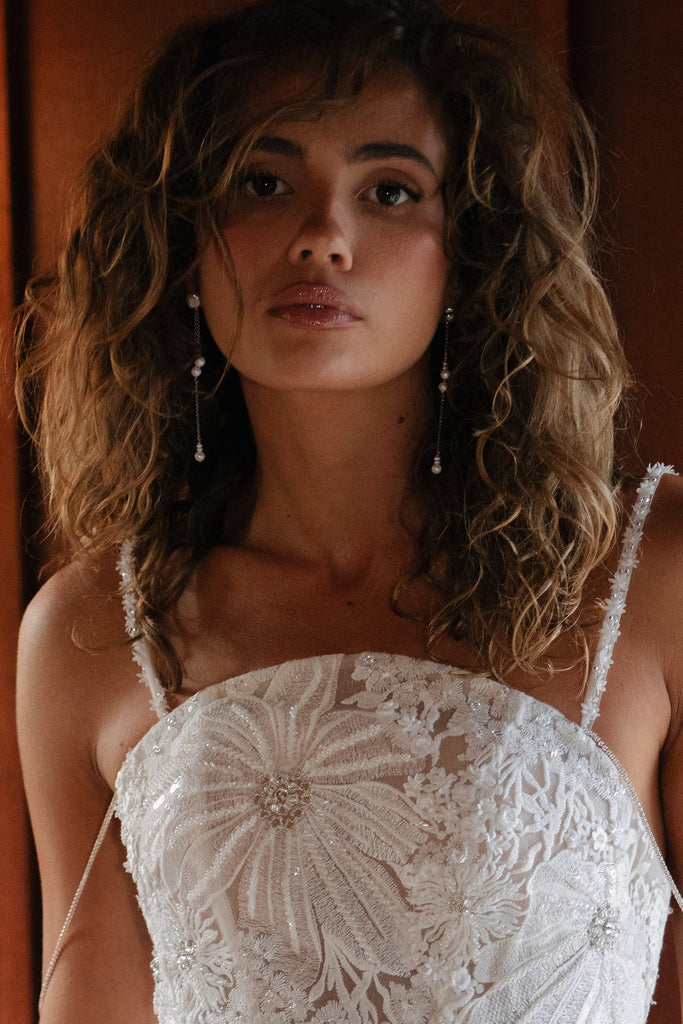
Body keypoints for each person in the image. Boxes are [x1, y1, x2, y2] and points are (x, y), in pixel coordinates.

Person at [14, 0, 683, 1021]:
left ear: (469, 249)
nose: (323, 236)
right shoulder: (90, 631)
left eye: (388, 189)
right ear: (185, 240)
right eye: (265, 183)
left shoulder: (647, 566)